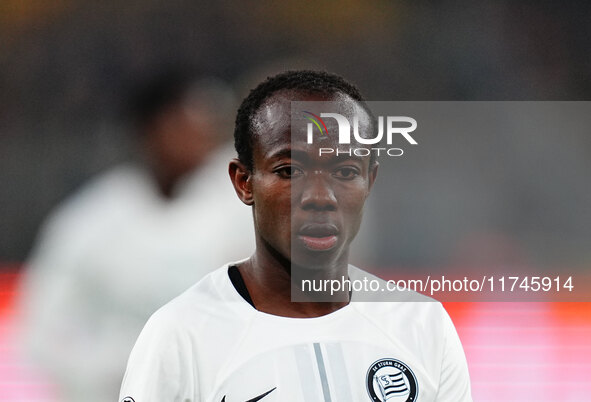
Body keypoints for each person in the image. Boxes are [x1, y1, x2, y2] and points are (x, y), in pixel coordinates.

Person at [119, 70, 472, 402]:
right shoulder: (181, 333)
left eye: (346, 170)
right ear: (244, 183)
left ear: (370, 182)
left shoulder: (423, 325)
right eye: (289, 170)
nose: (320, 196)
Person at [18, 71, 254, 402]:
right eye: (185, 123)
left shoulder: (245, 209)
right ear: (151, 130)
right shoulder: (91, 222)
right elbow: (44, 333)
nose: (199, 135)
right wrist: (123, 368)